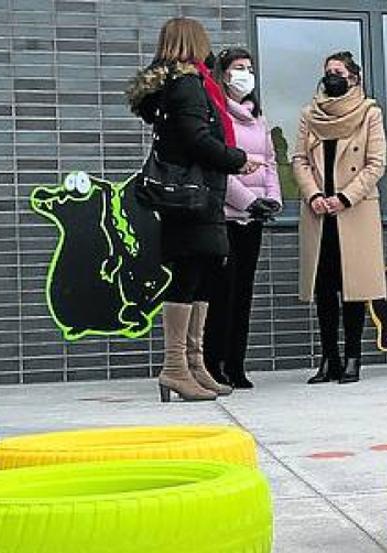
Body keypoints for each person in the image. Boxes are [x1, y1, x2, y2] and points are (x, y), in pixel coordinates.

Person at [128, 17, 258, 402]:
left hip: (199, 194)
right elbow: (196, 139)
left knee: (201, 275)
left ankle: (193, 363)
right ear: (194, 42)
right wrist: (237, 159)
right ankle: (174, 366)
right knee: (188, 276)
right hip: (192, 196)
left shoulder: (183, 83)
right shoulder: (187, 85)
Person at [292, 51, 387, 384]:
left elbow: (376, 163)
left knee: (354, 287)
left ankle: (352, 358)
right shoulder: (309, 114)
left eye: (339, 72)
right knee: (325, 287)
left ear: (354, 78)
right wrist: (315, 195)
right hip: (319, 211)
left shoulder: (369, 113)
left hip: (354, 210)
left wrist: (345, 197)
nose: (332, 77)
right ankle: (328, 358)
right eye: (328, 72)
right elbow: (299, 159)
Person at [203, 47, 282, 390]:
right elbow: (220, 166)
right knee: (223, 293)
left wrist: (273, 200)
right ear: (223, 74)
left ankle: (237, 363)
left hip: (254, 220)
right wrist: (249, 202)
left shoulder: (259, 118)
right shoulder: (218, 115)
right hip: (226, 216)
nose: (245, 75)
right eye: (238, 68)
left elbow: (270, 163)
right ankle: (213, 362)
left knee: (244, 295)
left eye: (249, 68)